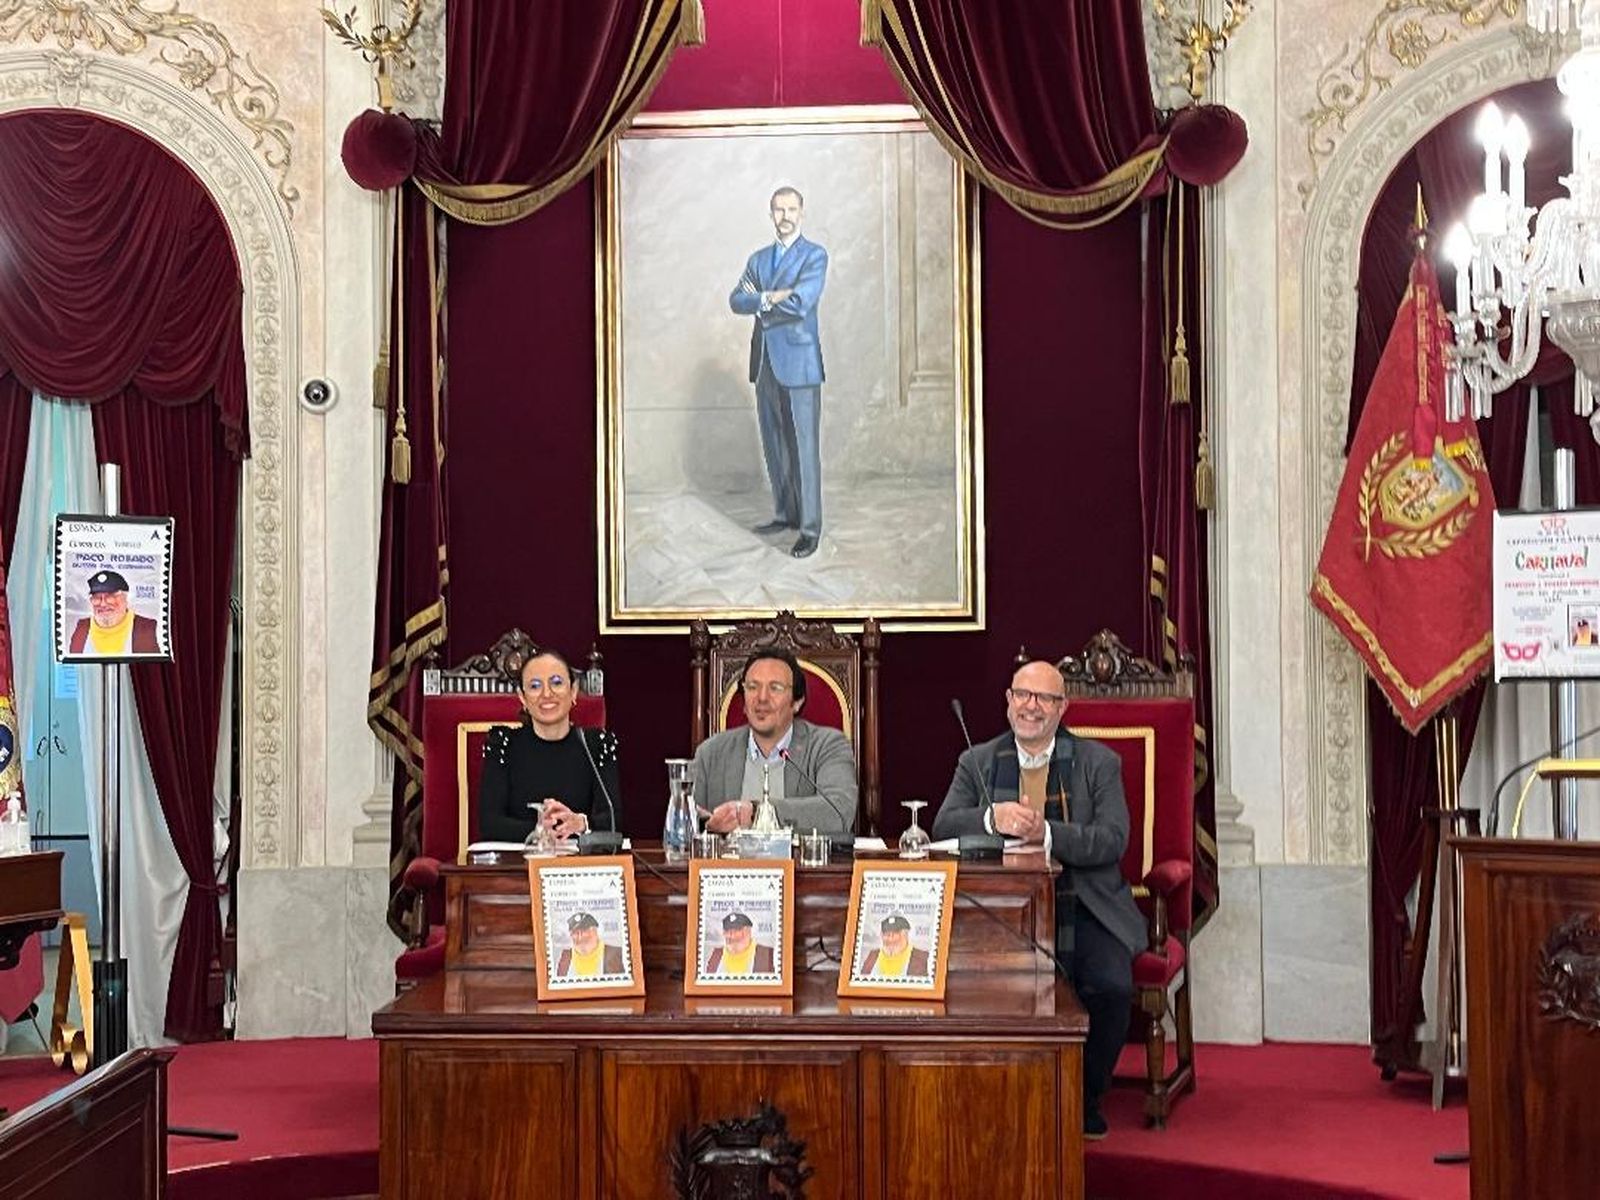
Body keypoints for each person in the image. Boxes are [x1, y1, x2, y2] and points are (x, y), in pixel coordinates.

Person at [931, 659, 1143, 1141]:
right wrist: (991, 820)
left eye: (1044, 698)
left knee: (1110, 987)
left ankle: (1084, 1097)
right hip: (998, 907)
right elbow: (944, 825)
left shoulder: (1098, 763)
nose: (1031, 706)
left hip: (1083, 901)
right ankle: (994, 1096)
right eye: (1023, 695)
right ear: (1008, 701)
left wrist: (1047, 833)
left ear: (1061, 708)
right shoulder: (978, 760)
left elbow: (1112, 840)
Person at [728, 186, 830, 559]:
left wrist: (763, 301)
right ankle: (786, 514)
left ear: (802, 212)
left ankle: (810, 528)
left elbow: (803, 301)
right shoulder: (758, 260)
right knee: (775, 443)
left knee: (804, 446)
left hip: (800, 364)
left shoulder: (814, 256)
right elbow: (737, 299)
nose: (784, 215)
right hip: (765, 362)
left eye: (791, 209)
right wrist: (771, 297)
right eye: (778, 209)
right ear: (770, 214)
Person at [690, 648, 857, 834]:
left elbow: (839, 812)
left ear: (797, 701)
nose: (761, 698)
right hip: (729, 862)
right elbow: (688, 821)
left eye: (775, 687)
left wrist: (757, 813)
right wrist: (703, 824)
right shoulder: (711, 752)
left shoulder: (828, 746)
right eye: (752, 687)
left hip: (797, 862)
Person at [478, 649, 620, 845]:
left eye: (557, 683)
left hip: (577, 868)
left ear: (573, 690)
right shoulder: (503, 744)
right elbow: (490, 824)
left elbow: (614, 820)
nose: (547, 694)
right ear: (522, 697)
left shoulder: (597, 744)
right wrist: (539, 830)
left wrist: (581, 823)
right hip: (516, 866)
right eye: (535, 686)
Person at [68, 570, 159, 655]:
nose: (103, 604)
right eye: (97, 598)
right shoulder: (82, 628)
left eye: (110, 597)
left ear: (125, 598)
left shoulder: (148, 627)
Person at [703, 910, 776, 975]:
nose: (730, 935)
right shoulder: (716, 954)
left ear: (747, 931)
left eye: (735, 930)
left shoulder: (766, 953)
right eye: (727, 931)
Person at [554, 911, 624, 978]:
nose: (579, 935)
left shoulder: (615, 953)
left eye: (583, 930)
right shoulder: (566, 956)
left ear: (594, 931)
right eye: (574, 932)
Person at [860, 913, 930, 978]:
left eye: (893, 934)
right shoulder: (873, 955)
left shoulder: (921, 957)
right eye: (886, 934)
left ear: (905, 934)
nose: (890, 939)